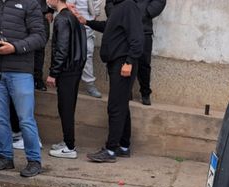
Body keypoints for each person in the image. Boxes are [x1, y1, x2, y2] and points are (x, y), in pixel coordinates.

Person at [0, 0, 47, 177]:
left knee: (26, 119)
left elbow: (40, 36)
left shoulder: (30, 3)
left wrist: (14, 47)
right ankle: (5, 157)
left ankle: (34, 161)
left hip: (20, 70)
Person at [73, 0, 143, 163]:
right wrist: (87, 22)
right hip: (117, 62)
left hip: (123, 63)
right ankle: (124, 147)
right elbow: (109, 27)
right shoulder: (119, 7)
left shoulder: (129, 6)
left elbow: (137, 37)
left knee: (115, 107)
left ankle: (111, 150)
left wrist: (129, 62)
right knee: (121, 105)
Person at [46, 0, 87, 159]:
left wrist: (53, 72)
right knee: (67, 107)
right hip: (74, 69)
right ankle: (67, 141)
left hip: (67, 70)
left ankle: (70, 147)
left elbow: (62, 48)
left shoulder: (62, 19)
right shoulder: (71, 16)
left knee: (66, 108)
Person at [107, 0, 166, 106]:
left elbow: (160, 1)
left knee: (144, 64)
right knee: (122, 59)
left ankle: (145, 92)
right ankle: (126, 92)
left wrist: (145, 13)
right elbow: (110, 2)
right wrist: (115, 15)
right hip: (122, 31)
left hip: (144, 29)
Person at [68, 0, 104, 98]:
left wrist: (94, 15)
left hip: (88, 23)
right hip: (71, 21)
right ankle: (68, 83)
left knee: (88, 53)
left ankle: (90, 84)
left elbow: (96, 3)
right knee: (68, 53)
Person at [34, 0, 53, 91]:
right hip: (22, 11)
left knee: (40, 48)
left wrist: (50, 10)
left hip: (42, 13)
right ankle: (28, 78)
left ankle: (38, 79)